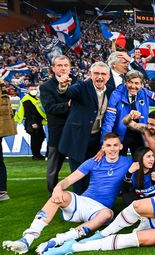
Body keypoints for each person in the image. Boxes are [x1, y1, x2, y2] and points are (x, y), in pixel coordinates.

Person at [2, 133, 132, 255]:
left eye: (115, 145)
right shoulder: (93, 161)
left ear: (121, 146)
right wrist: (57, 188)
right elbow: (69, 180)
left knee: (108, 214)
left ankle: (57, 241)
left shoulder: (128, 162)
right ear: (103, 147)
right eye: (108, 145)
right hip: (83, 202)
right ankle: (27, 239)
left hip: (100, 210)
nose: (112, 149)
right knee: (60, 195)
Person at [57, 62, 112, 194]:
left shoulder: (110, 90)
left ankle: (90, 203)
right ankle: (78, 206)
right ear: (90, 75)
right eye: (96, 73)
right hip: (78, 138)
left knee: (93, 173)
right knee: (78, 174)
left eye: (103, 74)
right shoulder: (82, 86)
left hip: (96, 138)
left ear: (108, 77)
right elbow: (68, 93)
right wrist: (63, 86)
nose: (100, 77)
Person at [102, 70, 155, 156]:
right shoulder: (116, 95)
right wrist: (105, 141)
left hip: (140, 134)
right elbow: (109, 119)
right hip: (121, 134)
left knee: (141, 162)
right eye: (130, 82)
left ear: (141, 84)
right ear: (125, 82)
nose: (133, 86)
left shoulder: (144, 93)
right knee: (119, 162)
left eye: (137, 83)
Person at [39, 55, 72, 193]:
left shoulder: (78, 83)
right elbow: (50, 108)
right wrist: (68, 105)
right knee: (53, 168)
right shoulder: (46, 87)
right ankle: (52, 195)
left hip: (76, 131)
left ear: (70, 67)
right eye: (59, 65)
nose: (63, 68)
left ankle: (83, 193)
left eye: (65, 65)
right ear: (53, 68)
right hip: (57, 132)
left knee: (81, 165)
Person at [14, 85, 47, 160]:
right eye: (31, 89)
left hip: (38, 121)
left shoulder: (35, 98)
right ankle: (36, 155)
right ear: (28, 91)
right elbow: (29, 112)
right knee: (36, 138)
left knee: (40, 137)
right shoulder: (27, 99)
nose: (33, 90)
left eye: (35, 89)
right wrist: (33, 123)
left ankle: (37, 154)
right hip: (32, 122)